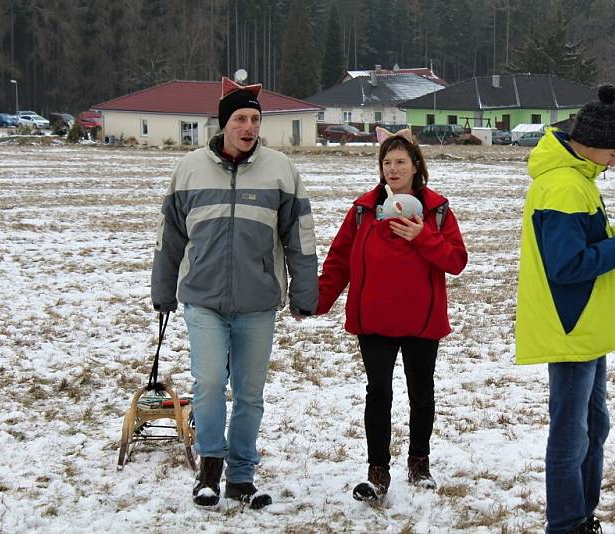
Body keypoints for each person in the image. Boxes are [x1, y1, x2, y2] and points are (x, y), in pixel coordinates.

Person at [150, 76, 318, 508]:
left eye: (255, 119)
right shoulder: (189, 168)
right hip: (202, 298)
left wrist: (304, 290)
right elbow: (169, 236)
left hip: (257, 301)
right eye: (241, 119)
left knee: (249, 393)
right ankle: (209, 470)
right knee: (208, 384)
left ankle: (241, 477)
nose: (249, 127)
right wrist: (162, 288)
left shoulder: (281, 170)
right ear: (224, 123)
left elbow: (300, 236)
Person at [515, 85, 615, 534]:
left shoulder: (577, 180)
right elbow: (567, 266)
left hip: (585, 327)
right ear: (591, 143)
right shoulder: (564, 185)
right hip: (571, 327)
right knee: (571, 433)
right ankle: (566, 524)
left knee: (594, 425)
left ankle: (581, 515)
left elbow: (578, 243)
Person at [316, 127, 467, 502]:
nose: (393, 169)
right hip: (375, 319)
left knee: (421, 393)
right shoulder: (364, 209)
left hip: (422, 320)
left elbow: (456, 261)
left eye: (401, 161)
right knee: (378, 392)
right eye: (387, 162)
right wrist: (317, 301)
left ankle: (419, 463)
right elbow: (338, 261)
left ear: (416, 166)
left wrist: (423, 238)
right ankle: (377, 471)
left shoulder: (437, 210)